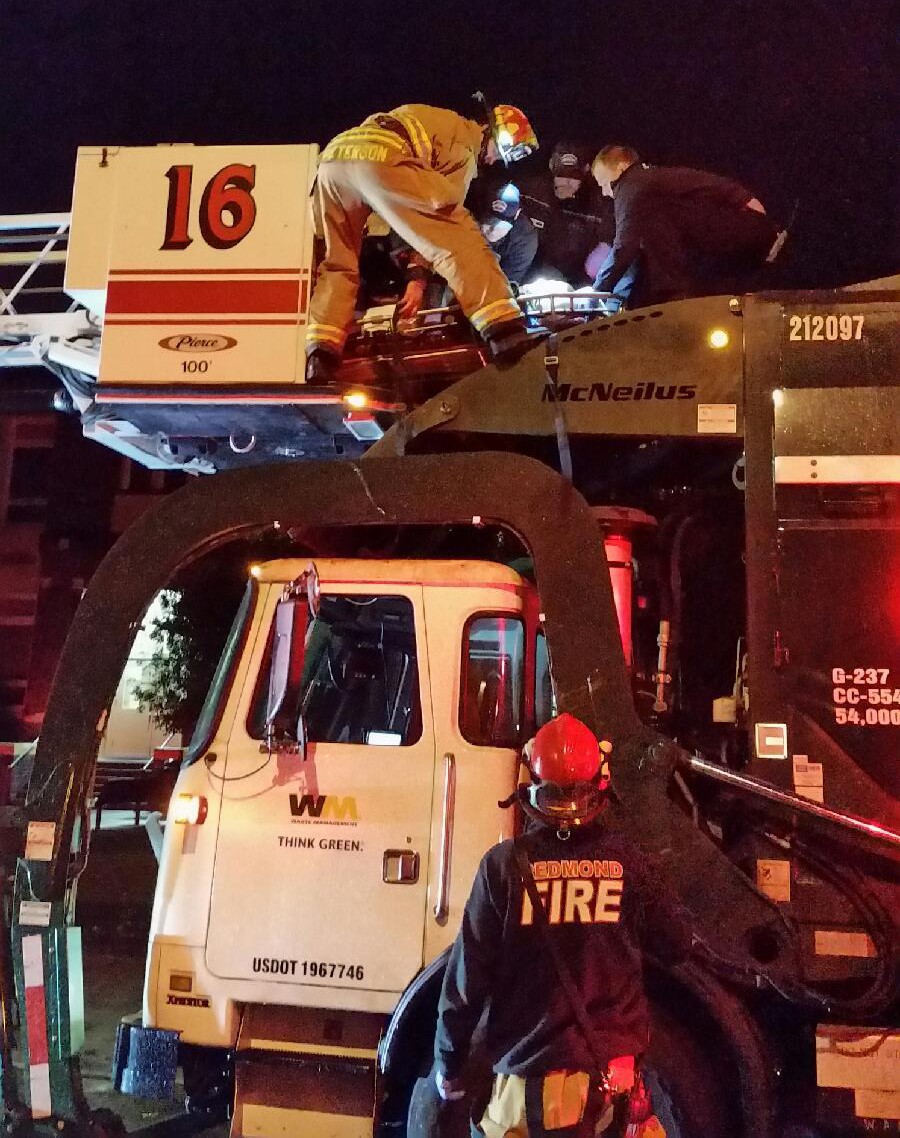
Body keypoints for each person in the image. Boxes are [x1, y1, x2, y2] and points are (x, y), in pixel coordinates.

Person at [433, 713, 692, 1138]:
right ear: (601, 783)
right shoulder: (629, 863)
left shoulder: (502, 868)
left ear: (530, 785)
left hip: (525, 1093)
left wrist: (449, 1064)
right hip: (612, 1091)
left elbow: (466, 983)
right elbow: (678, 944)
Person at [306, 102, 541, 382]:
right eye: (499, 152)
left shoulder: (443, 122)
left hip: (334, 161)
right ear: (491, 132)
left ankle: (321, 354)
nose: (494, 161)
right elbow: (439, 227)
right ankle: (505, 330)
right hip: (379, 158)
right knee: (460, 237)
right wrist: (417, 279)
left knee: (339, 262)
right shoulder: (465, 147)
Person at [591, 145, 784, 308]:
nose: (605, 192)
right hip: (744, 236)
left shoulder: (631, 184)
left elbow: (625, 246)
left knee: (647, 235)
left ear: (621, 167)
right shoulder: (653, 181)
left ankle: (674, 294)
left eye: (604, 184)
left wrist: (597, 290)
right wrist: (744, 199)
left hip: (736, 234)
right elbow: (705, 182)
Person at [520, 143, 614, 287]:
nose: (567, 182)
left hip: (574, 285)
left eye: (574, 177)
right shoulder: (529, 194)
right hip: (527, 278)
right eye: (561, 175)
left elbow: (603, 250)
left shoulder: (598, 207)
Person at [476, 183, 539, 289]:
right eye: (489, 221)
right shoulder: (468, 222)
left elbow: (509, 280)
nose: (493, 230)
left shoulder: (525, 237)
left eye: (502, 224)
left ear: (517, 215)